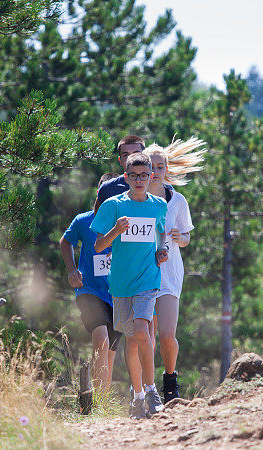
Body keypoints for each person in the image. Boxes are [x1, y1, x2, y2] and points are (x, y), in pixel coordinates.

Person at [91, 152, 168, 419]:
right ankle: (136, 398)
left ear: (151, 177)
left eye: (144, 175)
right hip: (121, 284)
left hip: (148, 280)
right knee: (132, 342)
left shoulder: (159, 205)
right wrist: (115, 231)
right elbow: (98, 245)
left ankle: (150, 389)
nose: (139, 180)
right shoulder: (113, 205)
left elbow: (160, 233)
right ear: (126, 177)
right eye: (133, 175)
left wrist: (162, 251)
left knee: (141, 330)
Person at [143, 138, 206, 403]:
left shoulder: (177, 200)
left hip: (169, 272)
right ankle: (147, 389)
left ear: (167, 169)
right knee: (146, 336)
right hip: (141, 271)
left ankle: (171, 378)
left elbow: (187, 237)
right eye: (152, 166)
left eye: (161, 166)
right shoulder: (135, 199)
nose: (156, 171)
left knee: (167, 335)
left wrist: (181, 237)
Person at [59, 172, 122, 390]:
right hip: (89, 290)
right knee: (101, 338)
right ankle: (94, 399)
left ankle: (101, 402)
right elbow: (65, 242)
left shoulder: (126, 223)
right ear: (98, 193)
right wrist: (72, 270)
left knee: (110, 352)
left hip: (118, 293)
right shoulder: (84, 220)